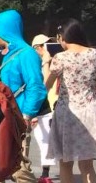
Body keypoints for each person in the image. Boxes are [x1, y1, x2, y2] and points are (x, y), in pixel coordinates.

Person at [0, 9, 48, 183]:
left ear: (5, 29)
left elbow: (36, 86)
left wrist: (27, 114)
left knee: (18, 164)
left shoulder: (27, 54)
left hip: (16, 117)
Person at [43, 19, 96, 183]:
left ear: (61, 37)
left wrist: (45, 61)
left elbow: (47, 84)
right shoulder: (94, 53)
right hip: (89, 110)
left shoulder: (60, 58)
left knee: (65, 163)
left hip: (68, 112)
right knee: (87, 165)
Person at [30, 34, 58, 182]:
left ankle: (45, 173)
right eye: (46, 46)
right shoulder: (34, 64)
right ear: (37, 48)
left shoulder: (55, 62)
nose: (49, 49)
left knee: (46, 140)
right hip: (36, 107)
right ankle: (19, 170)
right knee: (28, 141)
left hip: (50, 108)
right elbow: (44, 85)